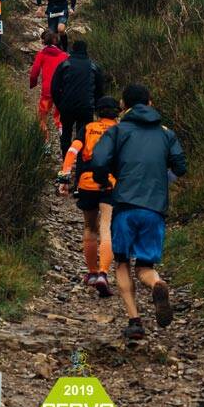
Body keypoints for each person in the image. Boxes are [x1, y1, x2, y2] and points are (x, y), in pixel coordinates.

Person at [91, 83, 187, 342]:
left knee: (122, 262)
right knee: (145, 266)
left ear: (124, 106)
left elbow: (98, 160)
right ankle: (157, 284)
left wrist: (103, 180)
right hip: (154, 209)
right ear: (151, 103)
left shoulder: (118, 130)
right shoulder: (167, 134)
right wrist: (162, 181)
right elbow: (180, 166)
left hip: (124, 206)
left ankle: (135, 321)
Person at [56, 96, 120, 297]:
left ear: (98, 112)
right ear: (117, 113)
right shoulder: (121, 131)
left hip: (87, 182)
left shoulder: (88, 128)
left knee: (89, 227)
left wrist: (64, 176)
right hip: (111, 183)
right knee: (107, 227)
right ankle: (103, 273)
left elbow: (72, 151)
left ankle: (92, 273)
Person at [51, 40, 104, 156]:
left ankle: (66, 162)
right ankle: (81, 163)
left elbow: (54, 88)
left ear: (73, 49)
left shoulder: (64, 65)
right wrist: (95, 106)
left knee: (66, 133)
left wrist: (60, 105)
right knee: (84, 135)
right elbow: (100, 90)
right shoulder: (93, 66)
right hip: (86, 107)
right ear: (86, 50)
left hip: (67, 107)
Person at [29, 30, 68, 146]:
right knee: (60, 116)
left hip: (47, 90)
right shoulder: (64, 55)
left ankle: (46, 143)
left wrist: (33, 83)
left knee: (42, 116)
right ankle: (63, 137)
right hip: (61, 90)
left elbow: (34, 71)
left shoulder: (41, 54)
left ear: (44, 41)